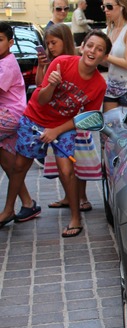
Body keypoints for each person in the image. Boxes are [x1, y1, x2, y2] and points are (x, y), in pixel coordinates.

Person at [0, 31, 111, 237]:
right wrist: (51, 83)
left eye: (99, 49)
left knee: (66, 169)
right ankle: (8, 210)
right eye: (90, 45)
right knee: (19, 166)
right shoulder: (62, 62)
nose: (93, 51)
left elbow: (85, 119)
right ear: (82, 47)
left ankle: (75, 218)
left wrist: (56, 131)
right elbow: (41, 100)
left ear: (104, 57)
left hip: (64, 125)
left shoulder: (99, 85)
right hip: (34, 119)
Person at [36, 24, 99, 213]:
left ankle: (82, 197)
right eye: (48, 44)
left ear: (66, 41)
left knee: (78, 159)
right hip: (55, 119)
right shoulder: (53, 62)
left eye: (54, 43)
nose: (50, 47)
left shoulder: (75, 63)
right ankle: (68, 196)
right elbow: (40, 86)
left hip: (74, 121)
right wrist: (42, 66)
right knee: (63, 162)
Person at [0, 22, 39, 228]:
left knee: (13, 165)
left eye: (0, 40)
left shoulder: (6, 63)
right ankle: (27, 203)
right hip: (7, 117)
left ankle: (7, 210)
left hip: (10, 115)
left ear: (10, 42)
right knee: (9, 163)